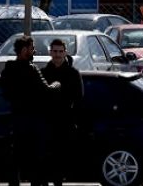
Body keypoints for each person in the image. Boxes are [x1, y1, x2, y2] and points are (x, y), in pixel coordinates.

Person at [1, 36, 61, 186]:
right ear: (24, 50)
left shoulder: (8, 69)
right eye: (31, 48)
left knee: (16, 157)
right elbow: (47, 90)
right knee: (37, 157)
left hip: (16, 118)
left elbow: (5, 93)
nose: (34, 51)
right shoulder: (31, 69)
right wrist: (56, 84)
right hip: (33, 120)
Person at [41, 38, 84, 186]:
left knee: (61, 160)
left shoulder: (73, 73)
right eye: (55, 51)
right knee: (45, 159)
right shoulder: (43, 73)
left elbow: (78, 98)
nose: (57, 55)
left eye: (60, 51)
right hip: (46, 122)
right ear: (50, 52)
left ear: (65, 52)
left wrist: (74, 120)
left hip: (65, 123)